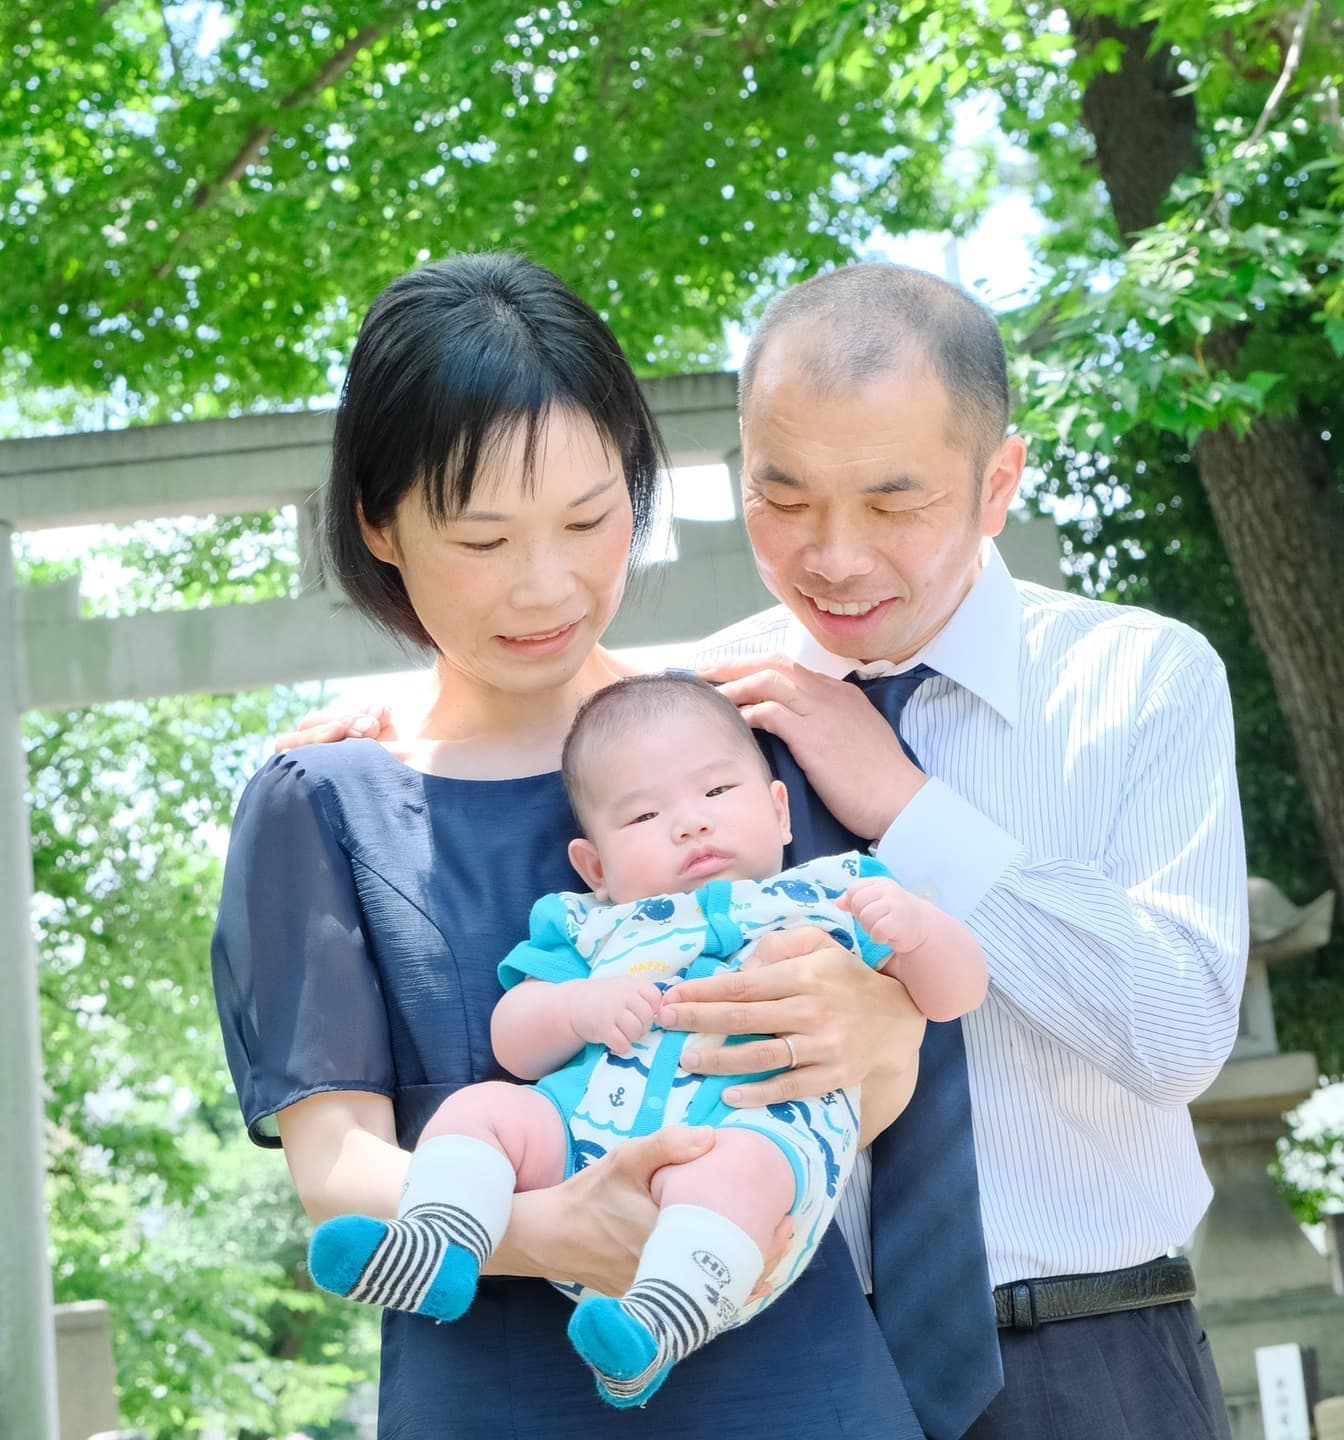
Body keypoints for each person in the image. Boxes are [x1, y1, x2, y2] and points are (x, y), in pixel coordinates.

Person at [282, 261, 1250, 1440]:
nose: (834, 558)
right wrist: (407, 717)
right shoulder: (711, 708)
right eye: (784, 500)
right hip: (792, 1344)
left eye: (893, 505)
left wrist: (905, 807)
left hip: (1090, 1345)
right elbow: (546, 700)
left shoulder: (1136, 680)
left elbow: (1183, 1031)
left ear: (998, 482)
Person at [211, 252, 932, 1440]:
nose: (545, 586)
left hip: (800, 1390)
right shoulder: (325, 801)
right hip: (497, 1398)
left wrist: (885, 1030)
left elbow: (883, 1087)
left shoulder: (751, 740)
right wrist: (550, 1229)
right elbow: (337, 1165)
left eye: (590, 520)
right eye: (483, 542)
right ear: (379, 525)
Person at [306, 672, 988, 1410]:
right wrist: (575, 1007)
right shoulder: (589, 925)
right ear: (594, 867)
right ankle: (439, 1239)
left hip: (748, 1158)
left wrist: (917, 934)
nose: (690, 824)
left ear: (779, 810)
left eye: (718, 794)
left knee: (732, 1166)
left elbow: (954, 998)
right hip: (579, 1158)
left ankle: (659, 1319)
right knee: (484, 1110)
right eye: (643, 816)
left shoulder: (837, 892)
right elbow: (514, 1043)